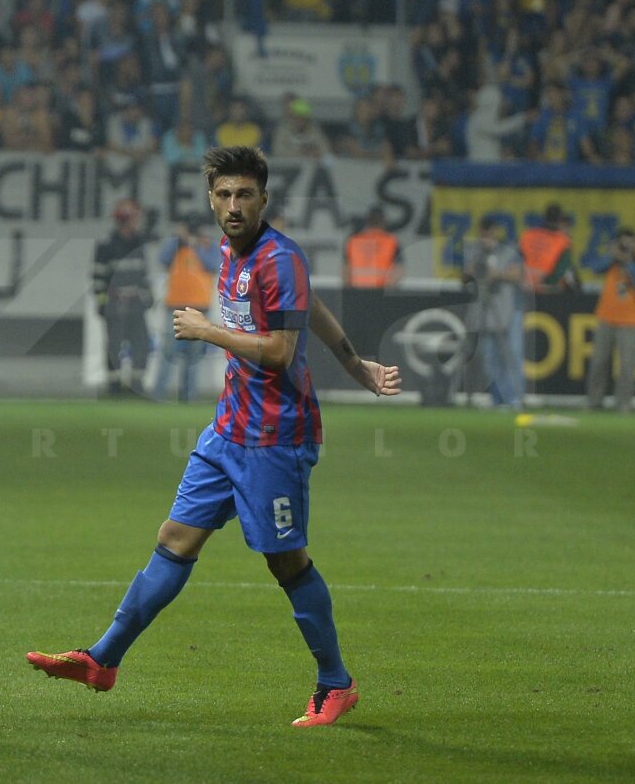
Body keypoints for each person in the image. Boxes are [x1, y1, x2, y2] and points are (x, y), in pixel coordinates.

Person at [28, 146, 401, 728]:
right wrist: (357, 364)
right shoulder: (232, 249)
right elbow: (315, 309)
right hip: (227, 430)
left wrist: (209, 331)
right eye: (224, 194)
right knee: (174, 537)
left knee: (286, 560)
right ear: (211, 198)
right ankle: (103, 659)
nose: (233, 205)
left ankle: (336, 683)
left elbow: (279, 351)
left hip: (275, 437)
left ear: (263, 199)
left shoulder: (279, 258)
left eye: (244, 195)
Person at [462, 216, 525, 410]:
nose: (487, 238)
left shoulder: (509, 249)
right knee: (489, 359)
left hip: (509, 309)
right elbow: (465, 276)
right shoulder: (473, 250)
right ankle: (498, 399)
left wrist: (497, 274)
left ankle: (514, 399)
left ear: (496, 232)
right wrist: (471, 272)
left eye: (490, 233)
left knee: (512, 355)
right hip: (485, 310)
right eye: (484, 234)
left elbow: (517, 274)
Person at [93, 198, 154, 397]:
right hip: (115, 301)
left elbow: (143, 273)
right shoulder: (107, 245)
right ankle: (115, 385)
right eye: (133, 219)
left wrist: (149, 295)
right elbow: (99, 276)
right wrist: (101, 302)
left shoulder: (138, 242)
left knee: (141, 343)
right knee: (114, 344)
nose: (136, 222)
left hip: (135, 300)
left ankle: (136, 384)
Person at [585, 228, 635, 412]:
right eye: (624, 242)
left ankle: (623, 403)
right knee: (599, 362)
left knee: (627, 365)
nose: (627, 246)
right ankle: (593, 401)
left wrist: (627, 260)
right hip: (606, 318)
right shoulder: (611, 261)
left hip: (631, 321)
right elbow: (595, 267)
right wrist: (612, 255)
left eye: (631, 242)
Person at [153, 221, 217, 402]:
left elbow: (212, 265)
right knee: (168, 352)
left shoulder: (208, 245)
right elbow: (162, 259)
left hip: (199, 307)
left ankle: (189, 396)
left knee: (194, 355)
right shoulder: (176, 245)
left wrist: (195, 245)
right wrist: (177, 240)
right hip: (174, 305)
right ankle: (159, 394)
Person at [520, 202, 580, 293]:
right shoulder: (563, 241)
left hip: (524, 290)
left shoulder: (527, 235)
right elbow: (561, 272)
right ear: (559, 221)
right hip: (546, 293)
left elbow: (515, 262)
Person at [343, 207, 403, 289]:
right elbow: (398, 271)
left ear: (367, 221)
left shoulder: (353, 241)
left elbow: (346, 271)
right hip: (381, 292)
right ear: (384, 222)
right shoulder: (392, 241)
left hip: (357, 291)